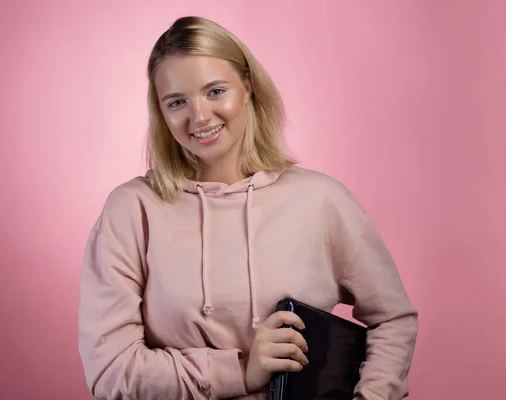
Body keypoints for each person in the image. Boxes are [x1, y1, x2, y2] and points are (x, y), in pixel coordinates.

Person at [78, 15, 418, 400]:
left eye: (215, 91)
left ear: (248, 87)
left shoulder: (322, 200)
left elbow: (393, 319)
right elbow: (110, 373)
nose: (200, 116)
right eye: (177, 102)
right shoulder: (131, 209)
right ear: (160, 112)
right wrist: (240, 370)